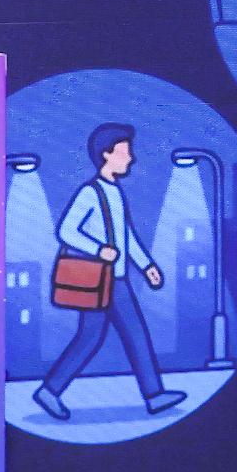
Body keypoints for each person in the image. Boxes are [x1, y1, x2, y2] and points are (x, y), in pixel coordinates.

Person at [35, 123, 182, 421]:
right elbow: (66, 231)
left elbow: (126, 236)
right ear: (106, 154)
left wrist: (146, 266)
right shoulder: (90, 193)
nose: (131, 158)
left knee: (131, 334)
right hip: (99, 279)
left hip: (117, 279)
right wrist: (99, 249)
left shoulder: (115, 192)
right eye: (125, 152)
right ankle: (50, 391)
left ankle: (154, 396)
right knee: (93, 337)